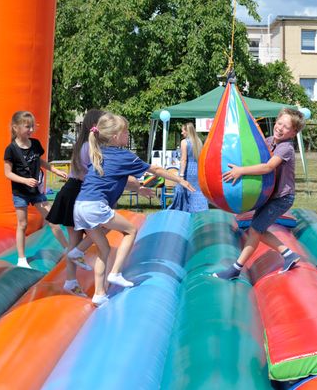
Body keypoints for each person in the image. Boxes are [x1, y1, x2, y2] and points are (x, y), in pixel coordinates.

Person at [73, 112, 194, 306]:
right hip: (95, 206)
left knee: (103, 248)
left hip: (80, 205)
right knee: (131, 231)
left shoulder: (99, 152)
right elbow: (154, 170)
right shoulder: (123, 155)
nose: (128, 135)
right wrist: (179, 179)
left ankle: (99, 293)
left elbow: (119, 180)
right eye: (125, 132)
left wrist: (140, 188)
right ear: (115, 137)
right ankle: (115, 273)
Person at [46, 109, 153, 297]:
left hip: (75, 191)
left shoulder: (86, 145)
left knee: (81, 237)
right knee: (97, 232)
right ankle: (80, 278)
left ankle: (73, 280)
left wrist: (137, 187)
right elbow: (106, 176)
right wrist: (137, 187)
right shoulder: (91, 147)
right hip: (78, 192)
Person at [213, 108, 305, 280]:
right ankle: (288, 254)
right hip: (270, 197)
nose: (280, 128)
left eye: (286, 127)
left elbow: (268, 167)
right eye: (279, 123)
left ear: (293, 132)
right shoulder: (269, 141)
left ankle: (236, 268)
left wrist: (241, 171)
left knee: (255, 230)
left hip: (282, 199)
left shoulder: (286, 148)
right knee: (257, 230)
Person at [3, 111, 68, 268]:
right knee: (23, 224)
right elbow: (8, 173)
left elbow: (40, 162)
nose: (31, 129)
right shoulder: (11, 149)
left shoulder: (36, 144)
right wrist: (25, 180)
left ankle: (68, 249)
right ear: (16, 128)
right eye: (27, 126)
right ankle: (21, 259)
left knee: (53, 220)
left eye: (32, 126)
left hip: (37, 192)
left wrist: (55, 170)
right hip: (21, 193)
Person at [169, 122, 208, 212]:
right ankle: (199, 211)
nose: (182, 133)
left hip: (187, 171)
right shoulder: (198, 142)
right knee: (196, 192)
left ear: (187, 131)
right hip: (197, 171)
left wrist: (181, 175)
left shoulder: (184, 142)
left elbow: (184, 160)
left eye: (183, 131)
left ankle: (181, 212)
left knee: (184, 191)